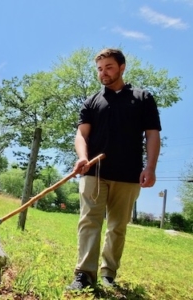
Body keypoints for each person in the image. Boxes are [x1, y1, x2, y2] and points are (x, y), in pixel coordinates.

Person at [67, 48, 161, 290]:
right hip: (94, 172)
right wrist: (82, 157)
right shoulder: (92, 101)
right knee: (89, 222)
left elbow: (152, 135)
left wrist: (150, 168)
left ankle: (108, 274)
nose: (103, 73)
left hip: (129, 175)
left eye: (108, 67)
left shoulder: (143, 98)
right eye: (99, 69)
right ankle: (84, 274)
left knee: (117, 227)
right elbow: (81, 134)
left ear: (122, 67)